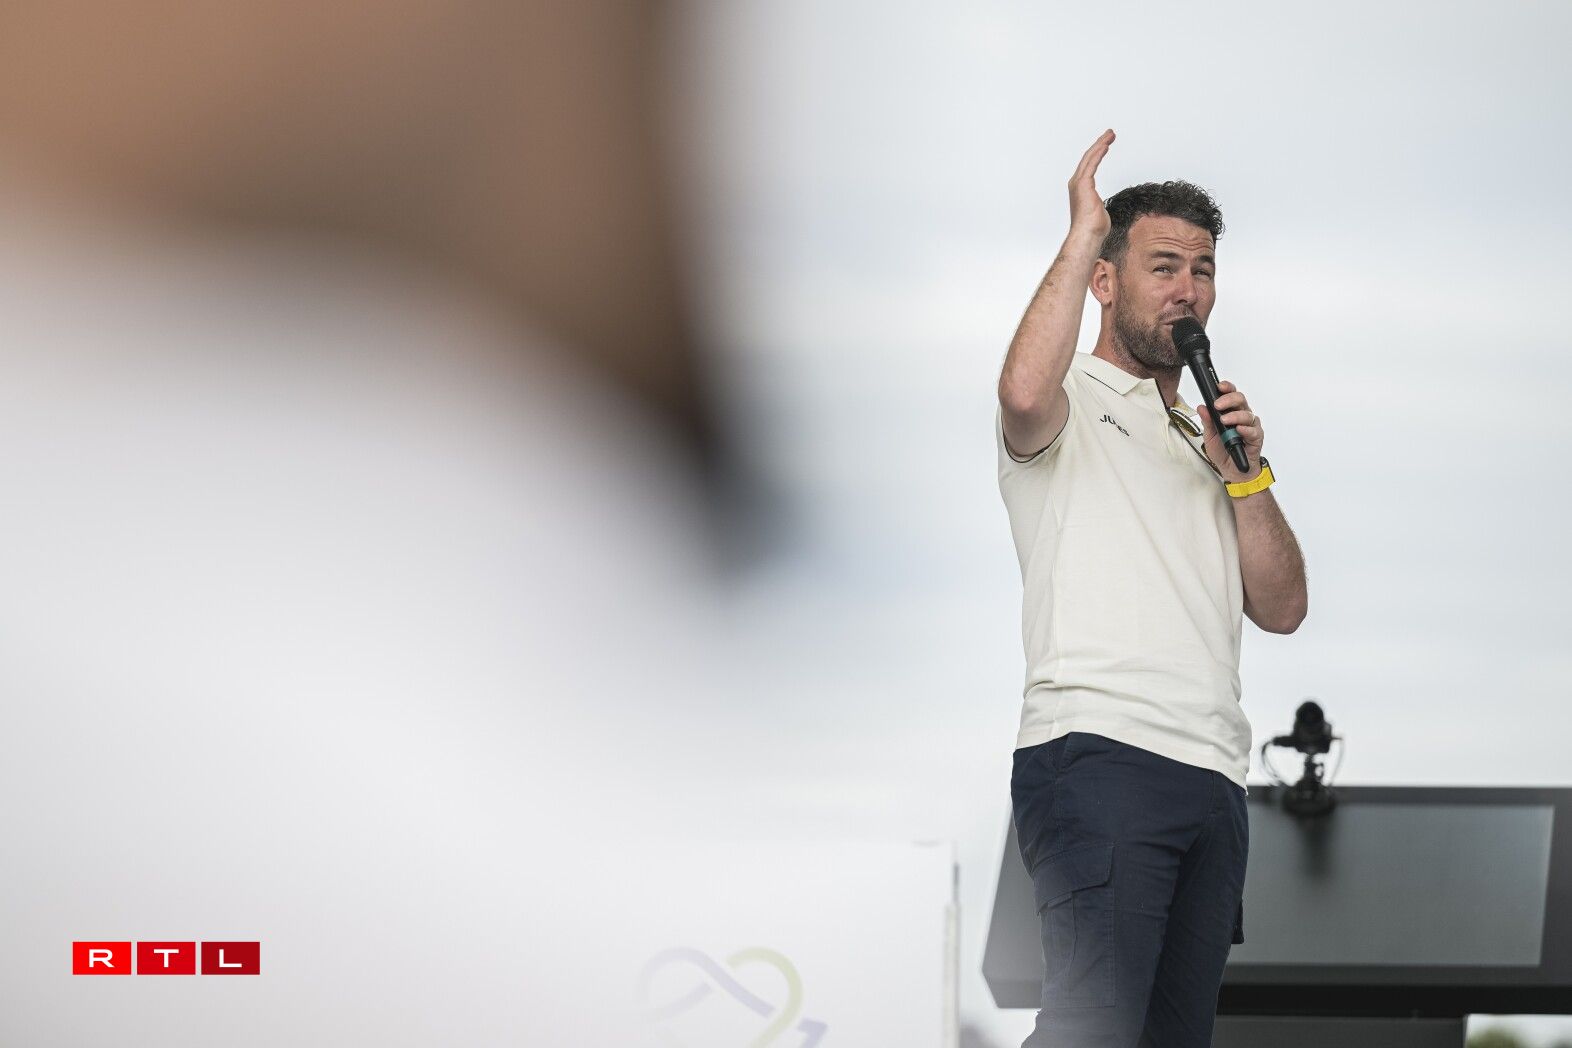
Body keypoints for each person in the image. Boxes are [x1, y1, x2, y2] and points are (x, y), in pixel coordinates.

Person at [995, 129, 1308, 1047]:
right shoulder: (1071, 400)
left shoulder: (1208, 443)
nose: (1187, 289)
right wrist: (1081, 233)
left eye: (1203, 270)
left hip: (1213, 775)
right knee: (1092, 1026)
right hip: (1101, 754)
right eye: (1163, 266)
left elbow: (1284, 608)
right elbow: (1021, 394)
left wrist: (1247, 476)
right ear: (1105, 280)